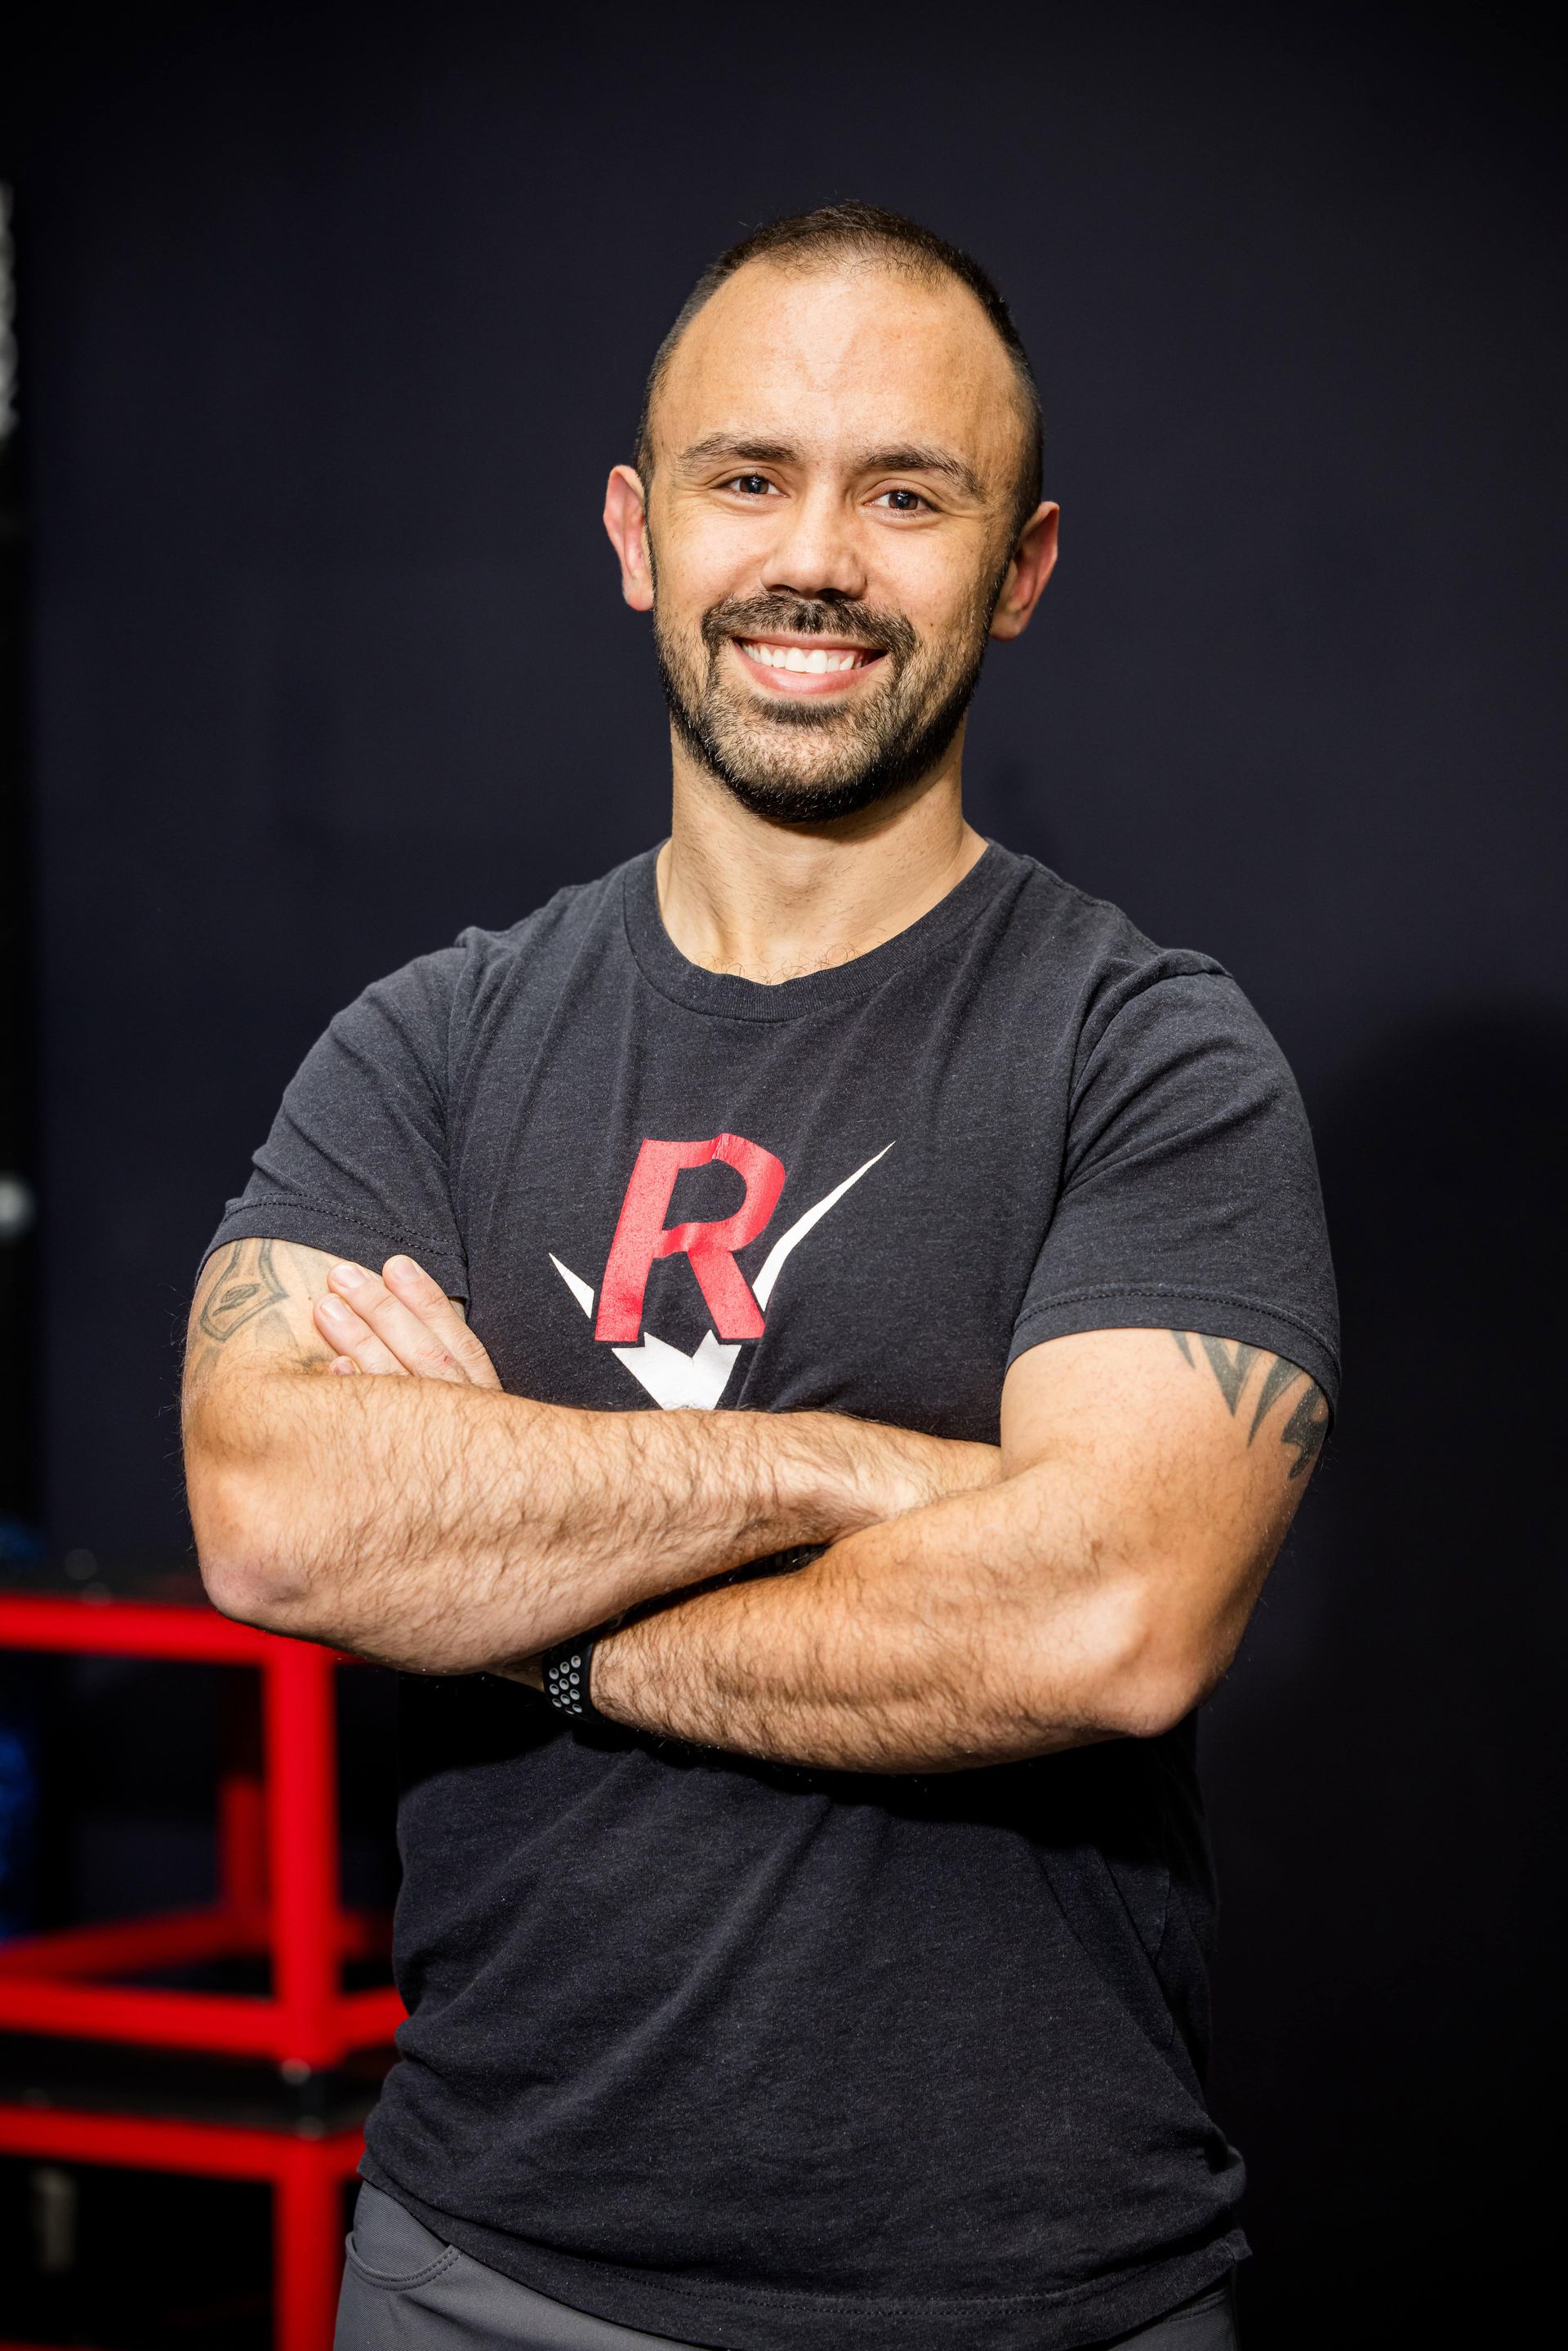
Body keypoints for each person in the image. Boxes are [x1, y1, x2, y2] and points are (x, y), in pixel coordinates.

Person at [183, 204, 1337, 2351]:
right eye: (749, 479)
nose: (818, 557)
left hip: (1032, 2298)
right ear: (635, 533)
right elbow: (275, 1515)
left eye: (909, 494)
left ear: (1025, 565)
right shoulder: (426, 1048)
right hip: (472, 2274)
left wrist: (525, 1626)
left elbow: (1105, 1615)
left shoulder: (1152, 1057)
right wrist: (867, 1476)